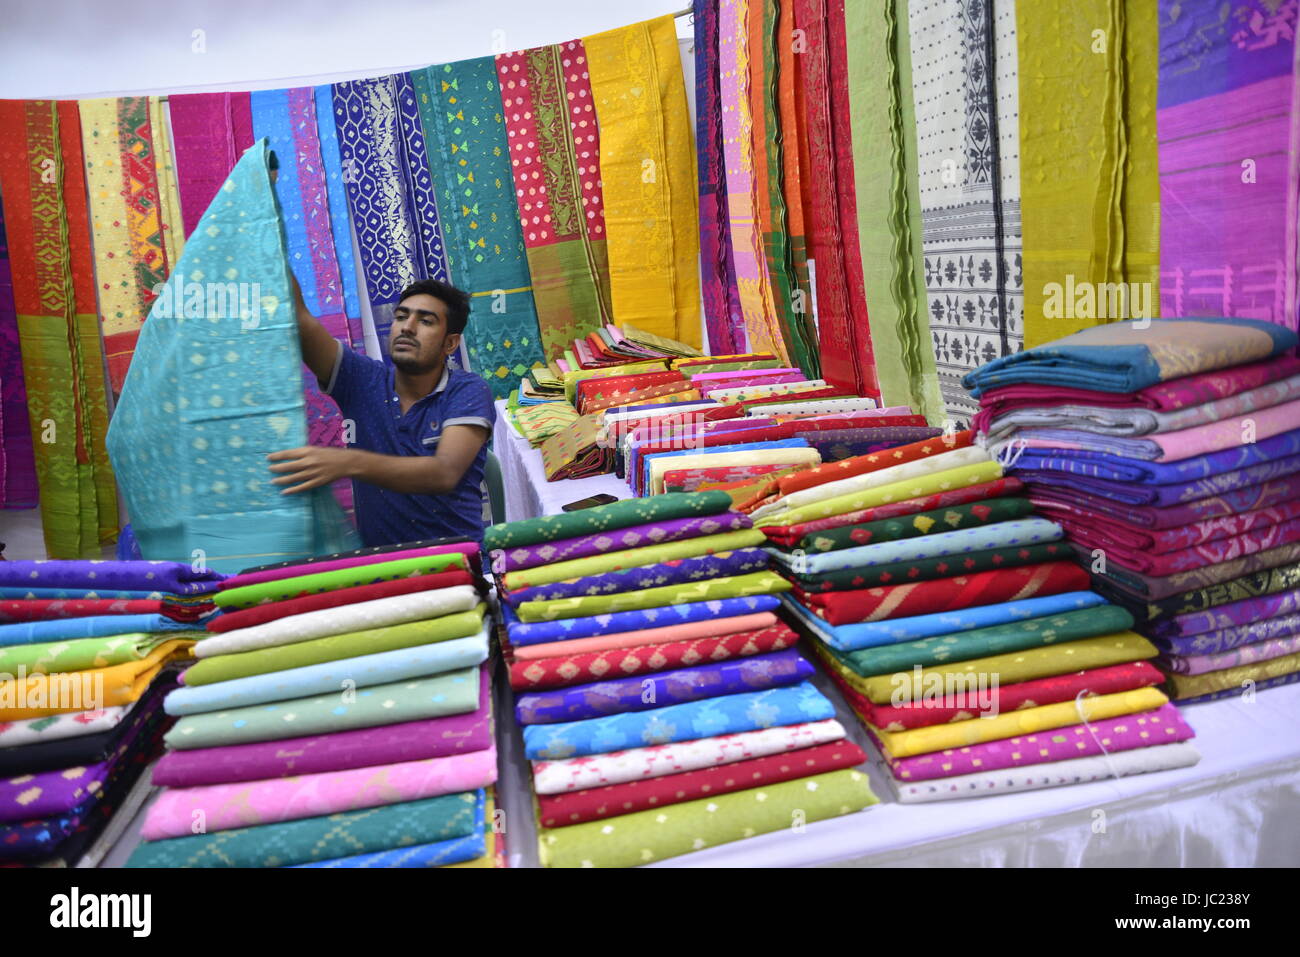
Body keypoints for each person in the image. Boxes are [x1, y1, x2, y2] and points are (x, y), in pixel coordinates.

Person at [268, 274, 495, 547]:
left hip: (459, 566)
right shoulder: (362, 381)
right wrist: (268, 240)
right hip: (382, 572)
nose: (407, 328)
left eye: (425, 321)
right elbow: (300, 319)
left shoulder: (466, 391)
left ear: (450, 343)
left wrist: (346, 463)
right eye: (401, 317)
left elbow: (444, 472)